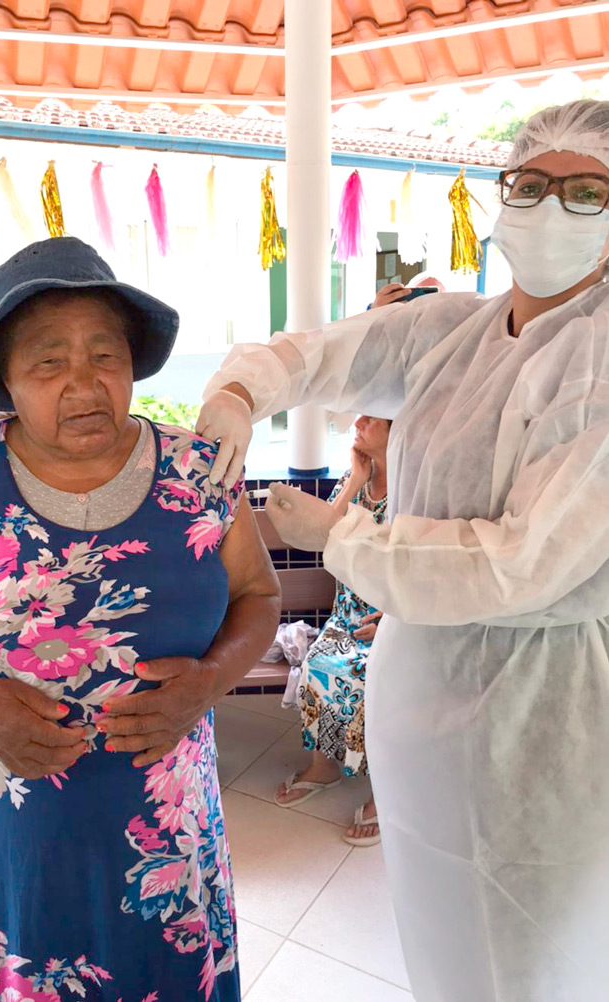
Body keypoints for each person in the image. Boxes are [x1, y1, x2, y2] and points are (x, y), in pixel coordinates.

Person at [195, 100, 609, 1002]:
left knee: (540, 952)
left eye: (588, 191)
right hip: (417, 680)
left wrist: (341, 535)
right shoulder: (450, 330)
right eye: (532, 185)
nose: (551, 209)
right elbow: (318, 354)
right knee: (441, 928)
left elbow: (520, 565)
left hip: (543, 705)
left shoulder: (601, 359)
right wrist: (239, 391)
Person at [0, 237, 280, 1002]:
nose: (84, 383)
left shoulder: (200, 471)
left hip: (170, 834)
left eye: (105, 356)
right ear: (6, 382)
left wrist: (211, 682)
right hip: (13, 836)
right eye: (48, 362)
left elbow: (259, 596)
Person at [275, 416, 389, 848]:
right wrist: (358, 477)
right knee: (320, 665)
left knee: (377, 683)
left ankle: (387, 791)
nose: (358, 422)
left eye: (373, 419)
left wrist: (391, 619)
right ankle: (323, 766)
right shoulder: (356, 477)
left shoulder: (417, 488)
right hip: (347, 613)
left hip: (391, 617)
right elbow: (323, 535)